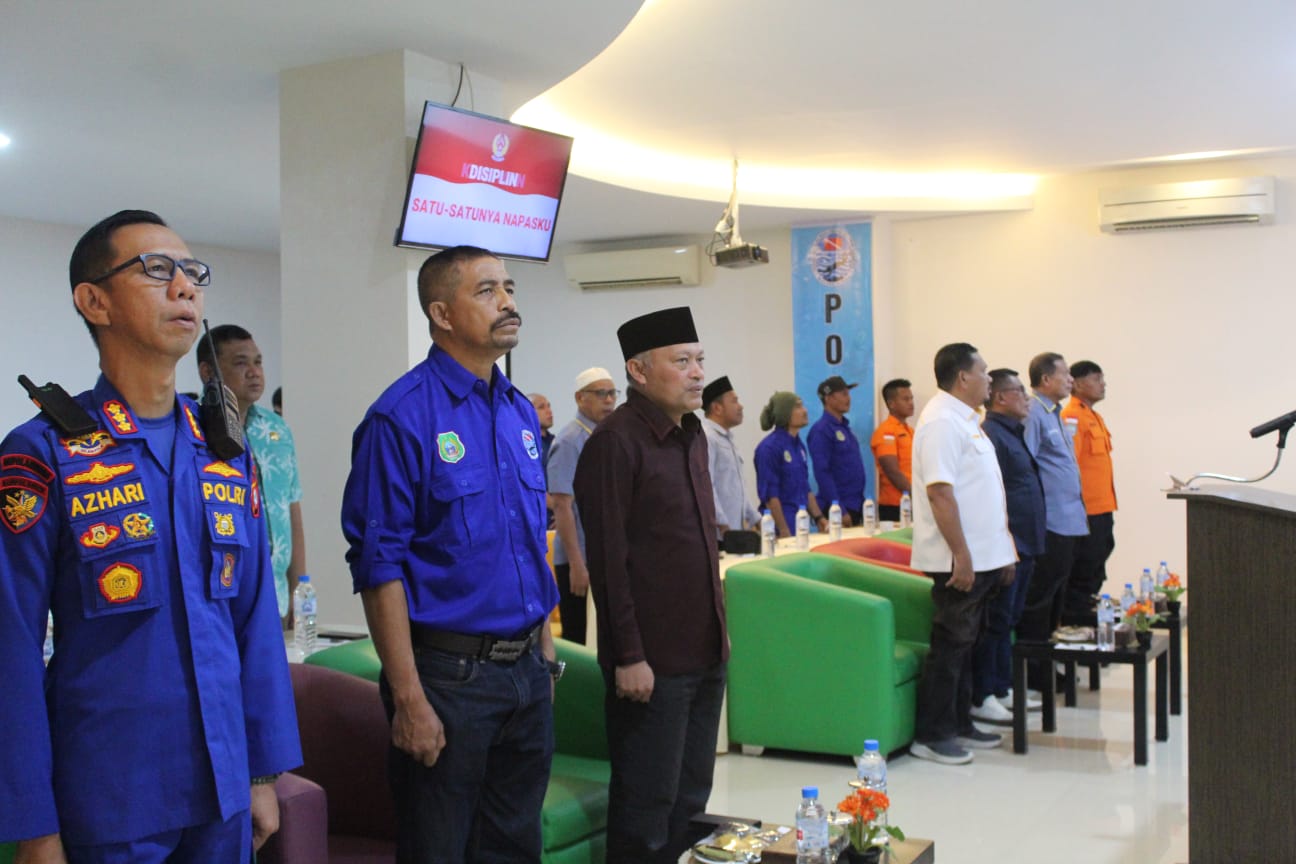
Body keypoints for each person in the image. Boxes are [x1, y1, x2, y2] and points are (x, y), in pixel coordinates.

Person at [0, 209, 300, 861]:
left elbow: (253, 619)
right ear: (94, 301)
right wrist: (32, 823)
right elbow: (10, 644)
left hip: (223, 790)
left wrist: (261, 773)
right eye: (157, 270)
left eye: (192, 272)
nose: (185, 287)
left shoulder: (225, 454)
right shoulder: (43, 454)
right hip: (109, 797)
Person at [341, 245, 561, 863]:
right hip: (448, 680)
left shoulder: (519, 411)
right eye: (487, 291)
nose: (508, 302)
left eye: (509, 288)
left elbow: (527, 542)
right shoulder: (400, 417)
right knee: (439, 849)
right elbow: (378, 566)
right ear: (441, 313)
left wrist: (544, 655)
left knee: (515, 848)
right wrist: (409, 698)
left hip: (525, 671)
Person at [573, 306, 728, 863]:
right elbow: (609, 562)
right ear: (638, 371)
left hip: (704, 652)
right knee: (646, 806)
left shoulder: (693, 434)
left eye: (699, 360)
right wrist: (629, 656)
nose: (697, 373)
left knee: (692, 801)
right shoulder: (615, 443)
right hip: (651, 663)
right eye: (681, 362)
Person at [908, 343, 1017, 765]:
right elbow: (941, 494)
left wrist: (1003, 552)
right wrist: (963, 556)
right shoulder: (940, 422)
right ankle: (932, 735)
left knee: (969, 644)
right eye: (984, 372)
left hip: (985, 557)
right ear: (962, 377)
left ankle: (959, 722)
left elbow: (985, 493)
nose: (990, 379)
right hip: (958, 560)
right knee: (951, 646)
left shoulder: (966, 421)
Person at [198, 324, 306, 627]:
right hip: (222, 600)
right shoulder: (194, 434)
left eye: (258, 362)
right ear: (208, 372)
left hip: (277, 598)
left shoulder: (277, 430)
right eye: (240, 363)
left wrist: (299, 591)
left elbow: (291, 510)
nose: (254, 372)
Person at [971, 369, 1046, 724]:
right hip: (1009, 544)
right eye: (1020, 391)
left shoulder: (1012, 432)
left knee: (1010, 619)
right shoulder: (992, 434)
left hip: (1026, 542)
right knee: (996, 620)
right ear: (1001, 397)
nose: (1027, 398)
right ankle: (983, 693)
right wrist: (1005, 546)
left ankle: (1002, 687)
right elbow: (992, 496)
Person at [1017, 352, 1088, 687]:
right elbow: (1026, 467)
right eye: (1065, 374)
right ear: (1045, 379)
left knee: (1058, 596)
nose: (1071, 380)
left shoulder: (1055, 413)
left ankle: (1049, 664)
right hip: (1050, 522)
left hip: (1068, 520)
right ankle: (1035, 673)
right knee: (1041, 599)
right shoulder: (1034, 413)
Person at [546, 367, 618, 646]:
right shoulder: (569, 441)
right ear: (580, 398)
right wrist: (576, 565)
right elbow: (562, 506)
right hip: (580, 560)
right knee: (579, 638)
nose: (609, 400)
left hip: (605, 556)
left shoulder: (606, 436)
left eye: (612, 393)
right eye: (601, 394)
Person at [1060, 360, 1116, 621]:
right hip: (1086, 509)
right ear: (1078, 384)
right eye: (1096, 379)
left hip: (1102, 506)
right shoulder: (1071, 417)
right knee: (1084, 566)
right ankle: (1076, 620)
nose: (1103, 384)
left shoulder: (1093, 416)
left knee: (1098, 560)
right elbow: (1070, 465)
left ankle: (1086, 611)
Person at [754, 391, 829, 538]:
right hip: (781, 529)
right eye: (798, 407)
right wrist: (783, 530)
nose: (805, 411)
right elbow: (770, 497)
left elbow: (805, 488)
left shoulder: (799, 446)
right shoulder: (769, 448)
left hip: (801, 525)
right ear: (785, 413)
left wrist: (819, 518)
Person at [701, 376, 760, 538]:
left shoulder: (727, 439)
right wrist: (722, 523)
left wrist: (756, 519)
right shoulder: (707, 437)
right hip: (720, 533)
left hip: (734, 531)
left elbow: (738, 488)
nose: (740, 406)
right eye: (734, 401)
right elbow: (707, 485)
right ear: (717, 408)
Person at [807, 375, 866, 525]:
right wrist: (839, 508)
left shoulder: (845, 428)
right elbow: (822, 472)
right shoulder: (821, 430)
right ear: (829, 398)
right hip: (839, 508)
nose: (849, 398)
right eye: (844, 394)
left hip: (855, 504)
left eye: (848, 394)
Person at [871, 378, 915, 522]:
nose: (911, 403)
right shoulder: (886, 432)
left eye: (911, 398)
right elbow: (892, 471)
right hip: (895, 505)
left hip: (912, 501)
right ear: (891, 404)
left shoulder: (911, 431)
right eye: (906, 399)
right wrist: (915, 495)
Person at [528, 392, 556, 468]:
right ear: (528, 413)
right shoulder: (527, 445)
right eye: (541, 407)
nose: (549, 411)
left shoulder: (556, 441)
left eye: (548, 406)